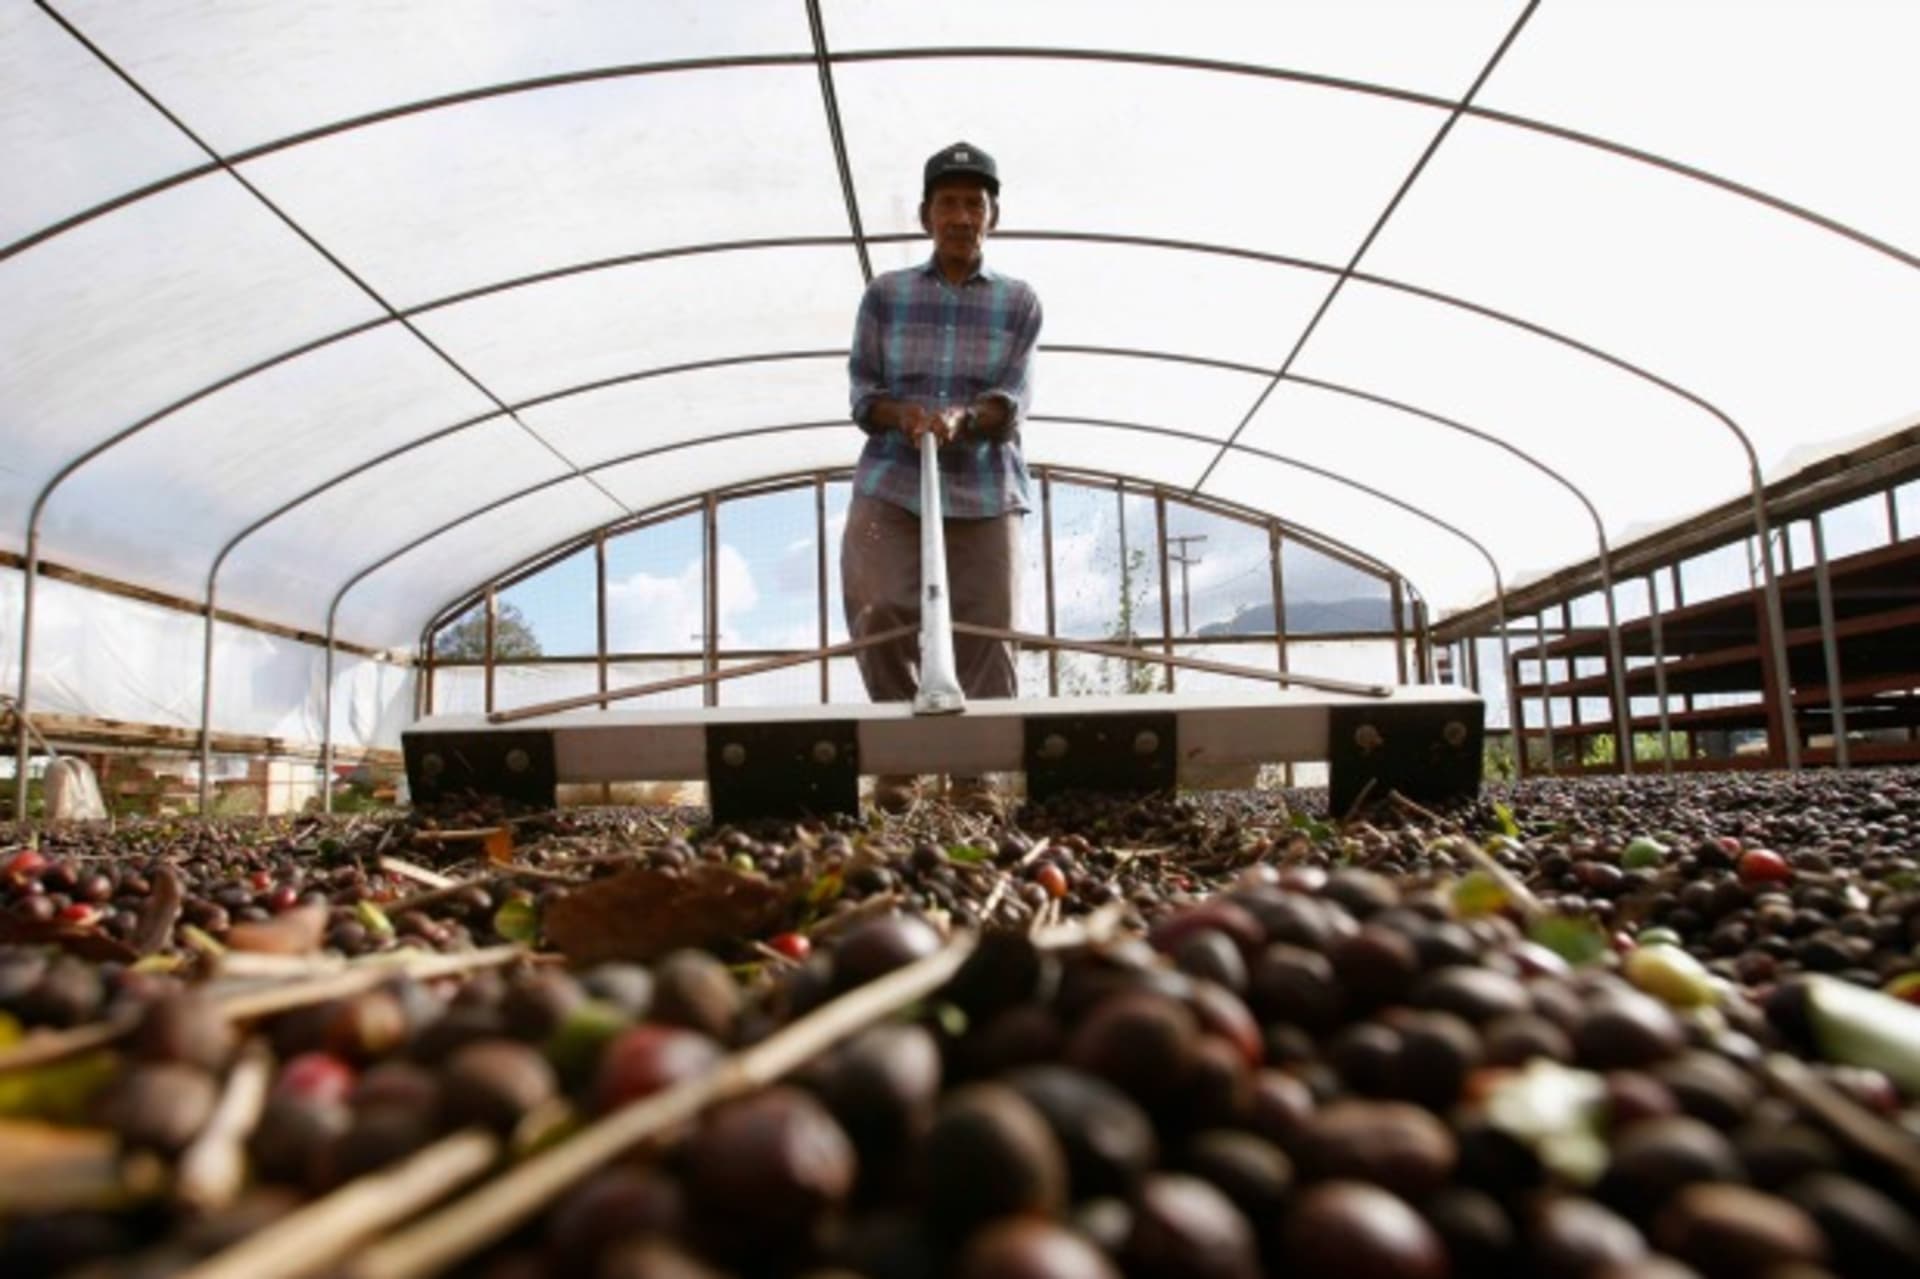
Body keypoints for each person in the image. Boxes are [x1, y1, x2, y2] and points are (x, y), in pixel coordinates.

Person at [842, 141, 1043, 813]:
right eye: (949, 203)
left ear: (993, 216)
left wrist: (962, 418)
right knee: (881, 607)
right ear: (927, 214)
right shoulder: (885, 297)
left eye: (974, 204)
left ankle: (972, 775)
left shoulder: (1018, 303)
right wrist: (907, 416)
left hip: (985, 483)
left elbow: (1010, 402)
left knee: (989, 625)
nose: (962, 215)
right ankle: (901, 763)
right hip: (894, 480)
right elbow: (864, 395)